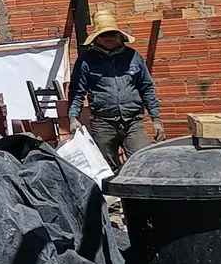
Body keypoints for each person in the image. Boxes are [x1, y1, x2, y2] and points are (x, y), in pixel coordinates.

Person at [67, 10, 164, 171]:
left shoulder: (133, 57)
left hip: (133, 122)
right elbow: (77, 91)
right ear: (96, 38)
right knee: (106, 169)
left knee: (141, 163)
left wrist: (156, 120)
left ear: (119, 35)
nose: (108, 37)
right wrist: (73, 118)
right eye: (103, 34)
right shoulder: (86, 61)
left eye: (112, 33)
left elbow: (147, 88)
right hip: (103, 124)